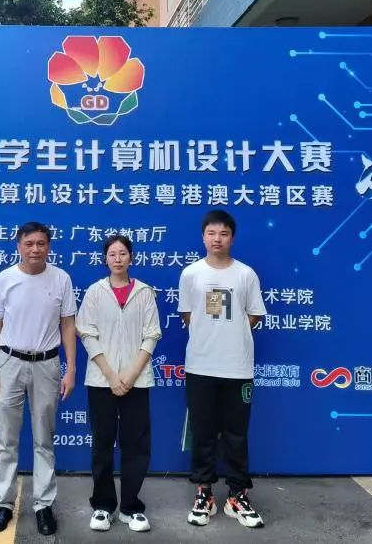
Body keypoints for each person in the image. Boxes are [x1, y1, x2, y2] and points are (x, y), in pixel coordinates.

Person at [0, 222, 77, 537]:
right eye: (29, 243)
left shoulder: (61, 279)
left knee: (44, 438)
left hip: (47, 364)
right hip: (10, 362)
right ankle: (3, 503)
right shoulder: (3, 280)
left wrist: (71, 369)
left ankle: (43, 505)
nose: (35, 249)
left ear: (48, 246)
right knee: (6, 439)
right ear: (18, 246)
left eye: (41, 243)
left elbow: (68, 325)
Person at [178, 209, 266, 529]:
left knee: (236, 434)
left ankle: (237, 495)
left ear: (232, 238)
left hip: (237, 368)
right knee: (203, 432)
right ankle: (204, 493)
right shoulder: (191, 274)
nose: (217, 239)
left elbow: (253, 315)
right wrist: (211, 336)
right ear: (203, 237)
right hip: (201, 366)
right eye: (212, 233)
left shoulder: (246, 274)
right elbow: (188, 316)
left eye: (224, 234)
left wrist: (231, 336)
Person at [76, 234, 161, 534]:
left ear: (131, 258)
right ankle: (103, 506)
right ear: (105, 259)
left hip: (137, 381)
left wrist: (132, 374)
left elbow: (152, 335)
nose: (117, 259)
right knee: (102, 443)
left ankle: (131, 507)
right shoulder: (95, 292)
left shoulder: (144, 292)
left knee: (136, 444)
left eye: (123, 253)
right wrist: (112, 376)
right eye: (112, 254)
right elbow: (87, 333)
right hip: (102, 380)